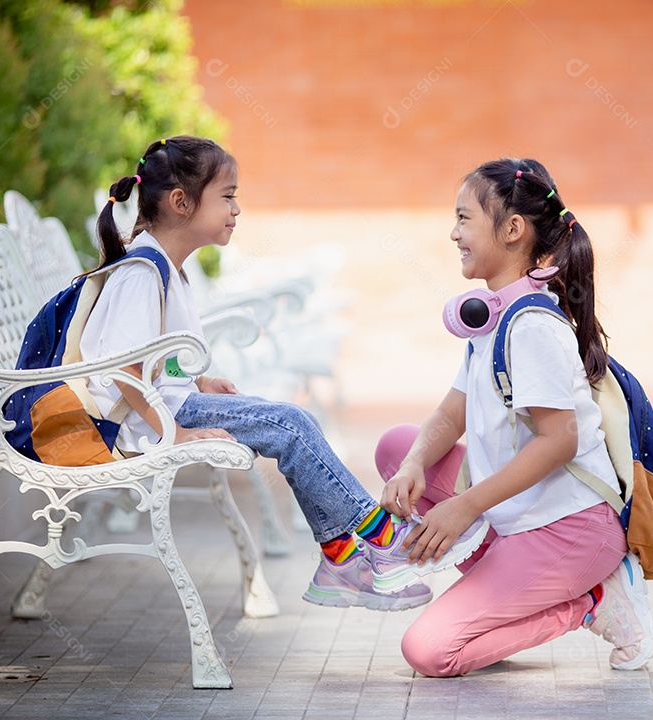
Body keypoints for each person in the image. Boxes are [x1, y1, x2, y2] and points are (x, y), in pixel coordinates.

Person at [83, 135, 489, 612]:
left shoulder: (167, 268)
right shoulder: (142, 271)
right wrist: (173, 436)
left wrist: (198, 381)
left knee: (294, 425)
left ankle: (341, 559)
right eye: (228, 196)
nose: (237, 209)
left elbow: (154, 357)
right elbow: (124, 366)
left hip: (169, 405)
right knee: (291, 425)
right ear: (181, 202)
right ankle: (380, 538)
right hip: (145, 422)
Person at [374, 158, 653, 677]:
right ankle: (504, 577)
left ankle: (594, 600)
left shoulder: (530, 325)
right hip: (518, 519)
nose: (453, 232)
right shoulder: (491, 316)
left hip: (569, 530)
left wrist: (461, 508)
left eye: (464, 218)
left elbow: (559, 441)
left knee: (430, 651)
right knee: (397, 447)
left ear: (511, 229)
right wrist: (414, 464)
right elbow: (449, 413)